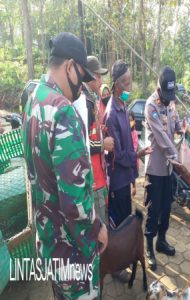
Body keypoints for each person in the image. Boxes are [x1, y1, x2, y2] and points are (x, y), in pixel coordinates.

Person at [22, 32, 108, 300]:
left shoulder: (34, 99)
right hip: (72, 254)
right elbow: (75, 202)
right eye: (81, 79)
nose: (81, 88)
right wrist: (97, 230)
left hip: (48, 243)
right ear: (69, 66)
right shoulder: (64, 112)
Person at [103, 59, 152, 282]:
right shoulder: (111, 113)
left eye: (131, 82)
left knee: (126, 224)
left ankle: (123, 261)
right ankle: (115, 268)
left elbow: (130, 144)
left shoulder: (124, 108)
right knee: (118, 226)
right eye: (126, 82)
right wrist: (138, 156)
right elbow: (118, 155)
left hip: (126, 180)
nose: (129, 87)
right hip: (117, 181)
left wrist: (134, 178)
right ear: (115, 85)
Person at [144, 66, 180, 271]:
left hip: (168, 169)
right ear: (158, 87)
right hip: (156, 168)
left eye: (170, 95)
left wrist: (181, 126)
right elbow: (161, 136)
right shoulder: (151, 106)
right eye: (165, 95)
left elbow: (174, 127)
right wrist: (176, 156)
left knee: (166, 207)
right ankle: (149, 246)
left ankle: (162, 241)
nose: (167, 99)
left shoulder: (171, 103)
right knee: (153, 209)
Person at [83, 56, 114, 222]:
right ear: (89, 75)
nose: (101, 80)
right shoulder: (85, 102)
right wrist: (103, 144)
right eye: (98, 76)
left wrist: (100, 132)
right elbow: (82, 143)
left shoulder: (90, 99)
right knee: (101, 231)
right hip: (94, 181)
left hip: (99, 177)